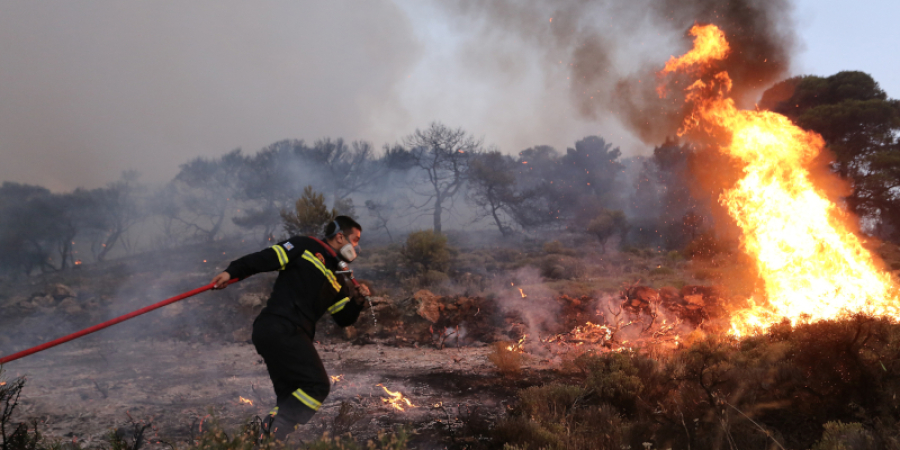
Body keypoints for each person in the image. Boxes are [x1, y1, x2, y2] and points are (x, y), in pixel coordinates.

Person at [210, 216, 370, 442]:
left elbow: (344, 319)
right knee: (317, 386)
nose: (356, 247)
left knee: (290, 397)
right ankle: (273, 434)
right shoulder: (305, 246)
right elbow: (264, 259)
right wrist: (231, 271)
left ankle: (266, 439)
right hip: (280, 326)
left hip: (287, 332)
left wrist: (358, 302)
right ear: (340, 237)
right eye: (355, 240)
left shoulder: (338, 277)